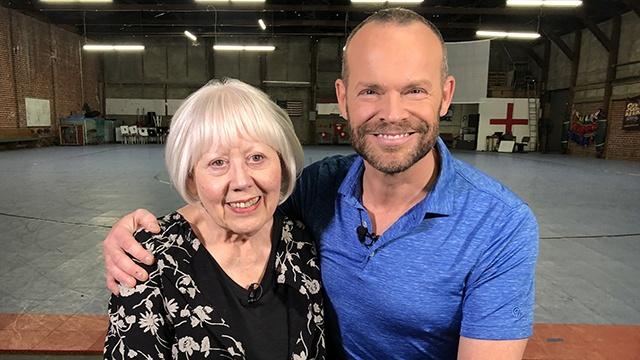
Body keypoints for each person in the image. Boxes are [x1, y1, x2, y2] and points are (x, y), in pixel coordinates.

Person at [103, 8, 538, 359]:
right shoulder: (319, 189)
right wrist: (142, 235)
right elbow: (242, 203)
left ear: (445, 95)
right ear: (343, 97)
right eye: (370, 91)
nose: (391, 112)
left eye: (414, 91)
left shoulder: (501, 227)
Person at [103, 79, 325, 360]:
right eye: (218, 163)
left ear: (281, 164)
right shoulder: (149, 261)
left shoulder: (301, 243)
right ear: (191, 179)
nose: (242, 181)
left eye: (257, 157)